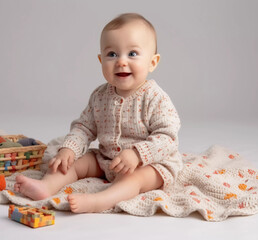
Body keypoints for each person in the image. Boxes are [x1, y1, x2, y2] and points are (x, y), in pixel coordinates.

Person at [14, 13, 182, 213]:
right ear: (101, 59)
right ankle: (46, 186)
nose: (121, 61)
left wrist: (137, 155)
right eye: (112, 54)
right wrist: (69, 149)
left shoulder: (155, 98)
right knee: (74, 162)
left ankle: (100, 200)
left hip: (151, 163)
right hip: (107, 159)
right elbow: (84, 127)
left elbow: (168, 138)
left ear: (153, 62)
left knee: (134, 178)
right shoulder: (100, 96)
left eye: (132, 54)